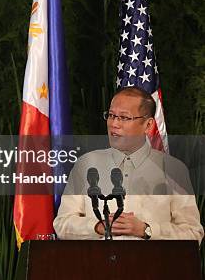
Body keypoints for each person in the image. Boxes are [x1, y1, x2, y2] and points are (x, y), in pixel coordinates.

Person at [54, 87, 204, 241]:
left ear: (148, 125)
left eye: (124, 118)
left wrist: (146, 230)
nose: (114, 124)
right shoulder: (86, 164)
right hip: (96, 263)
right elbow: (62, 225)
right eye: (111, 115)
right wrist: (98, 227)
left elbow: (193, 233)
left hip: (154, 264)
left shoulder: (174, 169)